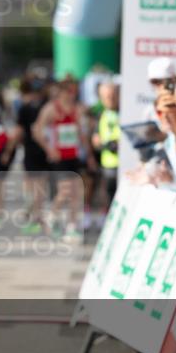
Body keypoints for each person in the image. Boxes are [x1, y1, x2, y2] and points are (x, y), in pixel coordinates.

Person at [33, 78, 94, 238]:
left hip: (73, 155)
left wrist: (89, 155)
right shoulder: (51, 109)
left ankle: (72, 225)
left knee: (76, 192)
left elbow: (81, 134)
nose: (72, 95)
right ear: (61, 92)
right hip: (59, 157)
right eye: (70, 91)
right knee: (65, 191)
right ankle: (51, 215)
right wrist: (49, 149)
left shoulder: (77, 109)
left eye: (74, 92)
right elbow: (37, 130)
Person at [14, 78, 49, 233]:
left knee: (32, 184)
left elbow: (19, 131)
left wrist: (11, 148)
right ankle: (36, 213)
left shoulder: (25, 108)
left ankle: (33, 211)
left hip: (32, 150)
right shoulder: (46, 107)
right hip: (43, 150)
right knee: (40, 185)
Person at [91, 80, 120, 210]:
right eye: (106, 97)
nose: (110, 99)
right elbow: (95, 140)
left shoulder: (125, 112)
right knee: (110, 198)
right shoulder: (101, 114)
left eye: (112, 95)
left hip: (124, 164)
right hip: (108, 164)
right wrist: (105, 144)